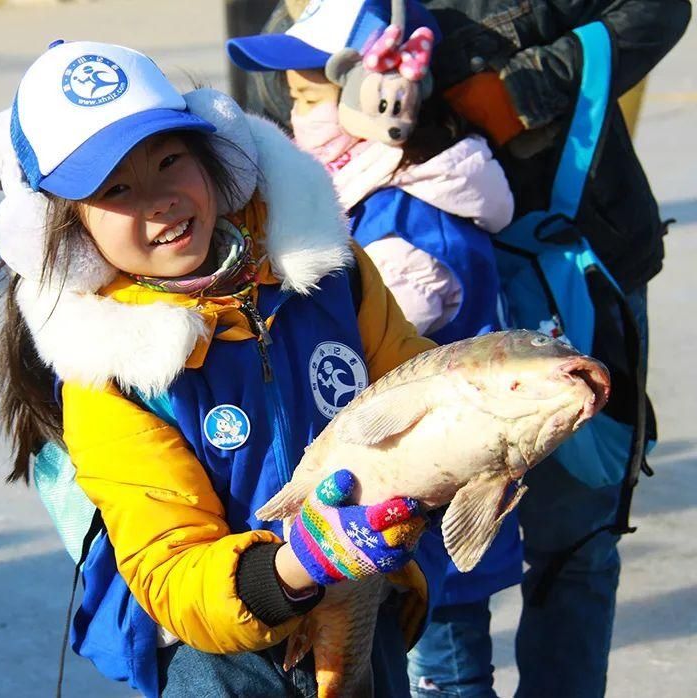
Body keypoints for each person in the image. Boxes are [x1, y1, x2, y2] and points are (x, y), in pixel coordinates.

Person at [0, 39, 452, 697]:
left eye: (170, 159)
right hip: (221, 661)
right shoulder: (108, 373)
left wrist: (494, 414)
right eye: (116, 188)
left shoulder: (329, 274)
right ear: (66, 231)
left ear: (215, 157)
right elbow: (170, 564)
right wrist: (299, 564)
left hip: (362, 613)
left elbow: (422, 396)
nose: (159, 201)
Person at [237, 1, 692, 696]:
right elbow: (288, 110)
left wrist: (519, 91)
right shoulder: (305, 42)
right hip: (395, 264)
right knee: (437, 583)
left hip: (568, 263)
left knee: (573, 542)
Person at [228, 2, 521, 696]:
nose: (294, 121)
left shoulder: (409, 222)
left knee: (447, 676)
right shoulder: (372, 196)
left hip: (429, 521)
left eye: (306, 99)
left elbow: (361, 367)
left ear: (375, 93)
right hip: (386, 521)